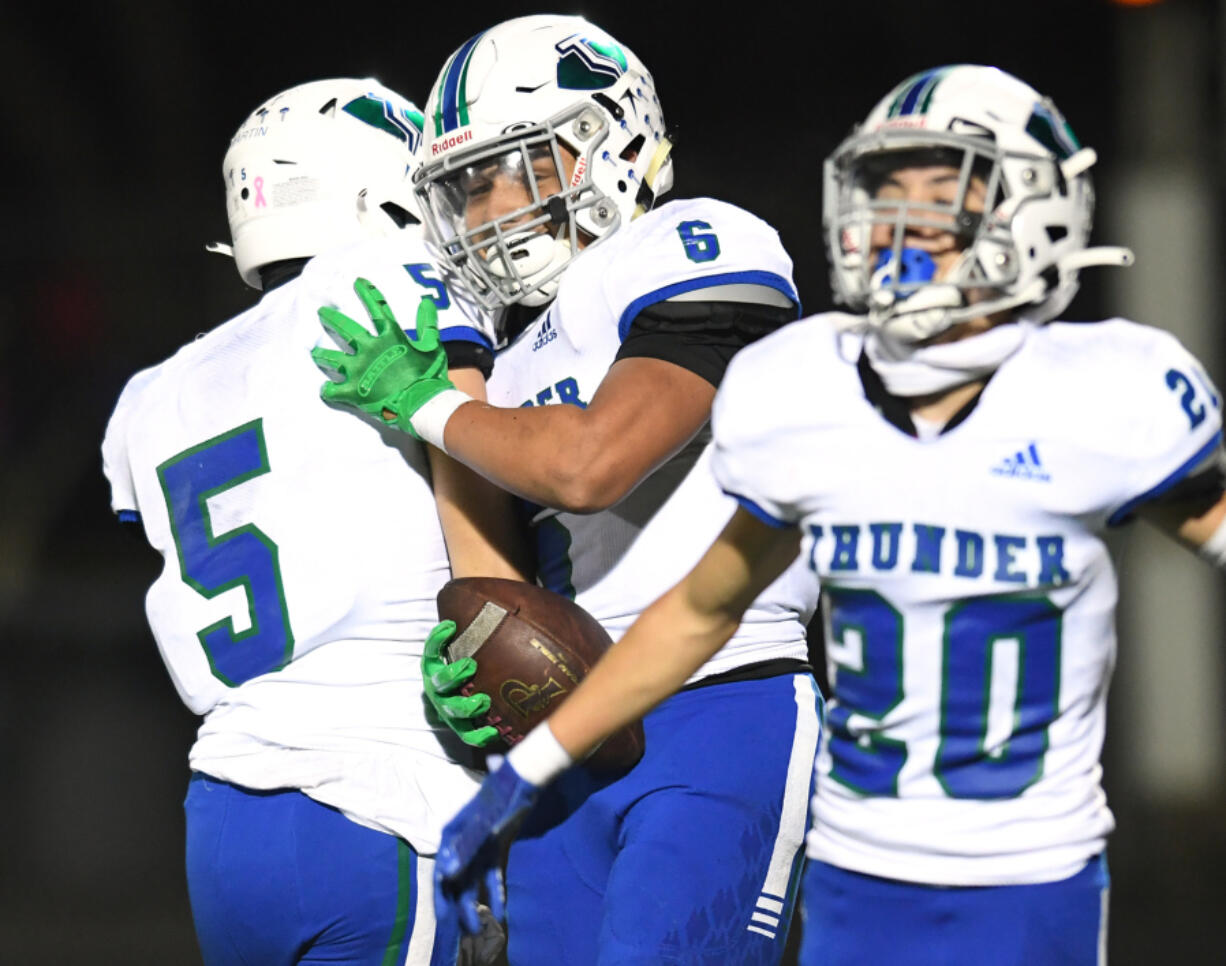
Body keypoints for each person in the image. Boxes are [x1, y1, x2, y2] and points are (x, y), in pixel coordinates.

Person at [428, 64, 1226, 966]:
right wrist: (518, 772)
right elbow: (699, 610)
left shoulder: (1113, 387)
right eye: (884, 192)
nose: (897, 221)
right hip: (860, 850)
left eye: (939, 193)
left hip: (1028, 855)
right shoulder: (809, 381)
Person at [312, 15, 822, 965]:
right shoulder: (493, 351)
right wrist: (470, 661)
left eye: (518, 166)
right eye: (465, 188)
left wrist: (432, 408)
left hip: (715, 703)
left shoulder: (690, 241)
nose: (488, 207)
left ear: (613, 144)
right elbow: (495, 566)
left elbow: (593, 465)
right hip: (561, 736)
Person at [101, 78, 517, 966]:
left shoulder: (156, 390)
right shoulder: (392, 276)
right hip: (382, 787)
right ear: (383, 189)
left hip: (226, 811)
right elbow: (478, 466)